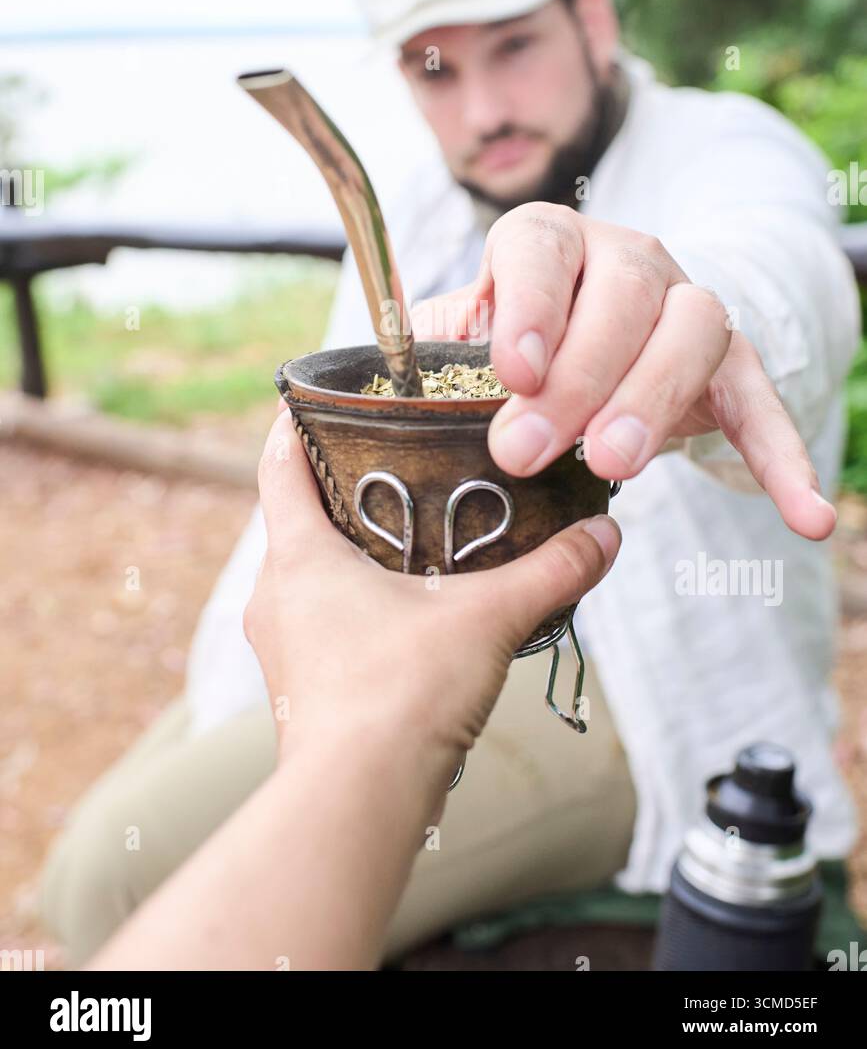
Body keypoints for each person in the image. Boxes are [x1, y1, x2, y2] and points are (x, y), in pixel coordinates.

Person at [41, 0, 859, 967]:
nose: (482, 110)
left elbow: (776, 270)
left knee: (116, 869)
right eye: (437, 67)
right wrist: (258, 685)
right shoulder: (419, 213)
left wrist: (696, 316)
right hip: (408, 618)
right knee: (95, 845)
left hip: (636, 690)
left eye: (514, 47)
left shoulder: (721, 146)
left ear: (594, 21)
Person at [87, 410, 622, 970]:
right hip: (383, 607)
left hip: (636, 672)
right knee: (90, 862)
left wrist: (380, 740)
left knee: (112, 873)